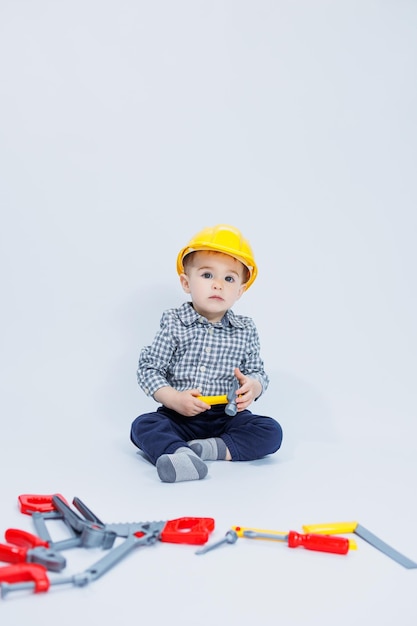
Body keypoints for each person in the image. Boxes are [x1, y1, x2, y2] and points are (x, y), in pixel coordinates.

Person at [130, 224, 283, 482]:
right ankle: (178, 454)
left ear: (240, 290)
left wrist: (252, 387)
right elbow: (149, 369)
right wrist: (175, 399)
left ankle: (213, 448)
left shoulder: (245, 330)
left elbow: (257, 371)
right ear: (185, 282)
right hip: (179, 414)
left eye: (229, 278)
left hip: (227, 416)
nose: (218, 285)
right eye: (207, 275)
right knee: (142, 426)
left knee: (271, 432)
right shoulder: (174, 321)